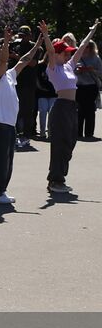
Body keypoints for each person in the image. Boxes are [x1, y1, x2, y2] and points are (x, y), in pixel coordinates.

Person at [39, 19, 100, 196]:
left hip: (72, 107)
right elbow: (50, 51)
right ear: (57, 54)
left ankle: (59, 177)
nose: (67, 56)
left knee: (70, 143)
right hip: (60, 108)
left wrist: (92, 31)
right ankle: (55, 180)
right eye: (64, 53)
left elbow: (81, 47)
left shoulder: (68, 65)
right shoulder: (52, 68)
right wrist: (45, 34)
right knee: (59, 144)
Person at [0, 28, 41, 205]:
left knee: (8, 160)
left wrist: (39, 42)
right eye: (0, 61)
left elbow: (24, 60)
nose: (4, 62)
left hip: (8, 124)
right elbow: (3, 59)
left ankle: (1, 190)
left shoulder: (9, 76)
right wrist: (7, 42)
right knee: (1, 160)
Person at [78, 40, 101, 140]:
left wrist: (92, 70)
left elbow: (101, 73)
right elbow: (71, 70)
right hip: (79, 86)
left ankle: (89, 133)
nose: (86, 48)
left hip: (91, 86)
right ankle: (78, 132)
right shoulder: (77, 56)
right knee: (79, 110)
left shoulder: (96, 58)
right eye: (84, 46)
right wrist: (78, 70)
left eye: (88, 46)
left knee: (90, 110)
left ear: (91, 47)